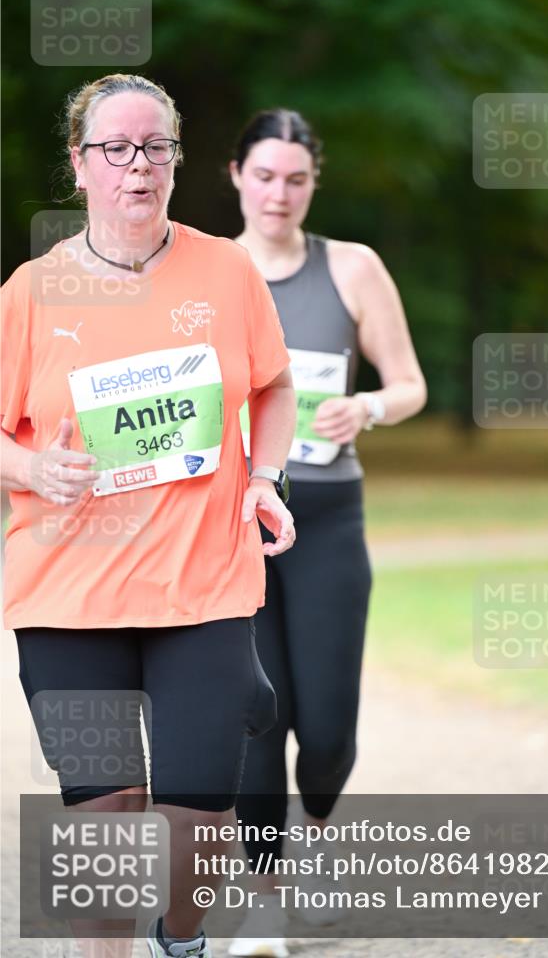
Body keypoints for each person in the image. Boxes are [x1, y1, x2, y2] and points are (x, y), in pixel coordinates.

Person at [1, 75, 297, 958]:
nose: (139, 166)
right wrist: (29, 464)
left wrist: (266, 476)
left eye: (156, 147)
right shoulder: (30, 291)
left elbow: (275, 386)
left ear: (176, 158)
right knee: (106, 815)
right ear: (79, 165)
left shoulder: (226, 270)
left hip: (201, 582)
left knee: (195, 816)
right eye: (117, 149)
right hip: (67, 589)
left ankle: (182, 936)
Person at [227, 109, 427, 957]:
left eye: (296, 179)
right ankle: (264, 903)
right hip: (231, 525)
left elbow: (410, 383)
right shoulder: (203, 268)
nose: (279, 193)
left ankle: (316, 830)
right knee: (256, 718)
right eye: (264, 175)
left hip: (329, 519)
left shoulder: (352, 267)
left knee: (329, 729)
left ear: (313, 184)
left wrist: (368, 407)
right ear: (235, 175)